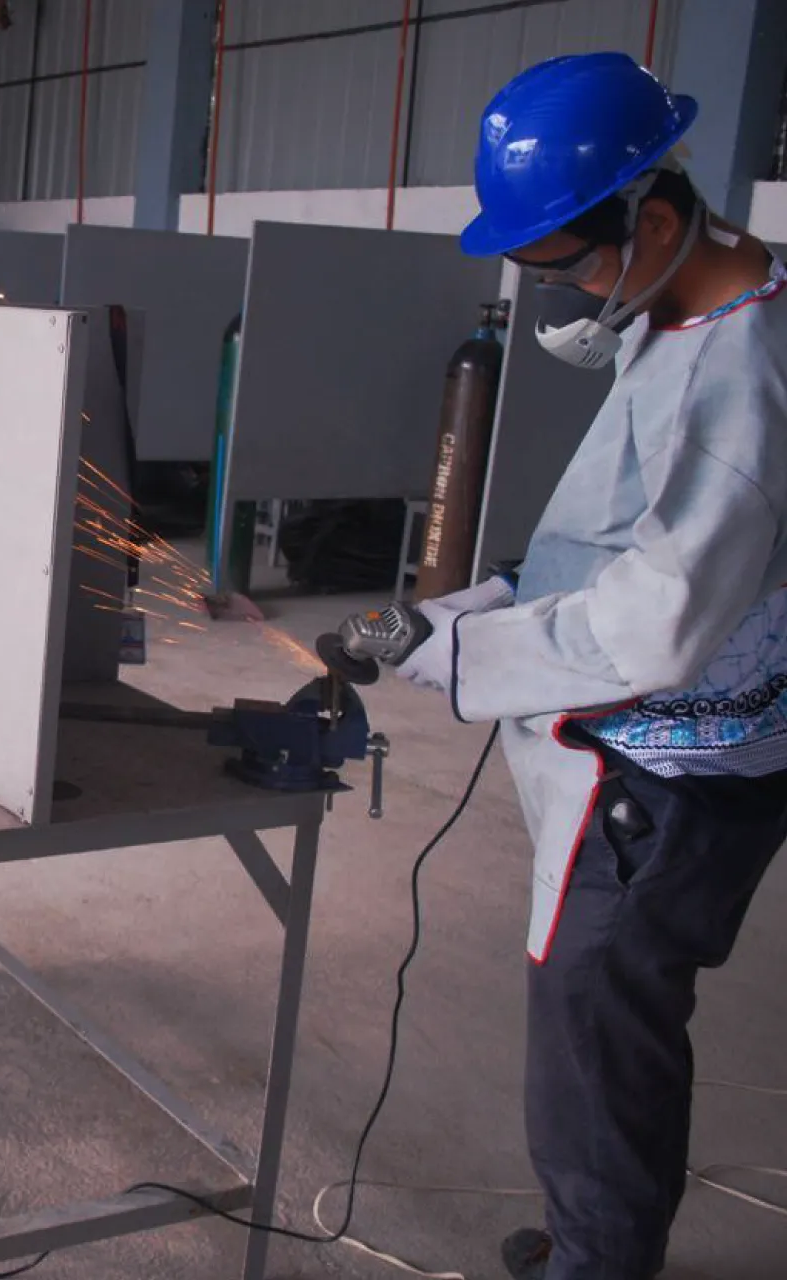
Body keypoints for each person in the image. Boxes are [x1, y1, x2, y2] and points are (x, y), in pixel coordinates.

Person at [366, 54, 787, 1279]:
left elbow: (653, 623)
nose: (570, 293)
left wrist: (459, 648)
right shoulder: (714, 288)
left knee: (596, 1015)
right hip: (715, 736)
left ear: (654, 219)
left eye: (574, 265)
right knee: (624, 1009)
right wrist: (496, 593)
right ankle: (603, 1232)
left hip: (670, 772)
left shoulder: (737, 382)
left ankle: (598, 1261)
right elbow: (633, 521)